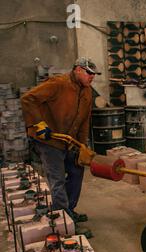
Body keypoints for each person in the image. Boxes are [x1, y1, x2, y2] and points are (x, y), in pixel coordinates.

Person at [21, 57, 99, 235]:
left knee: (76, 172)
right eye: (89, 73)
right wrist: (40, 125)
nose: (92, 77)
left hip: (69, 141)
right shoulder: (58, 83)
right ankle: (63, 221)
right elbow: (28, 99)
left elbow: (84, 121)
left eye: (94, 74)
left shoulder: (87, 91)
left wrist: (82, 145)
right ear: (78, 69)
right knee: (57, 180)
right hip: (49, 141)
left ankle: (69, 210)